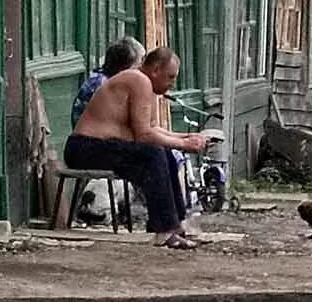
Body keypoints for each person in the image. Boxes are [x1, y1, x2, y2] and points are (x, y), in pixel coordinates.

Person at [66, 45, 218, 249]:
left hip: (102, 146)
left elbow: (153, 129)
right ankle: (164, 230)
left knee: (164, 152)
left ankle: (177, 224)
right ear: (155, 69)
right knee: (154, 155)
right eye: (170, 77)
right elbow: (144, 135)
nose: (172, 84)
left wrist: (186, 137)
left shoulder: (145, 84)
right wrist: (184, 144)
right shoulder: (138, 80)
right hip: (84, 148)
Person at [74, 38, 144, 127]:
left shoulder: (101, 77)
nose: (139, 69)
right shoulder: (104, 85)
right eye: (137, 65)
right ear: (124, 67)